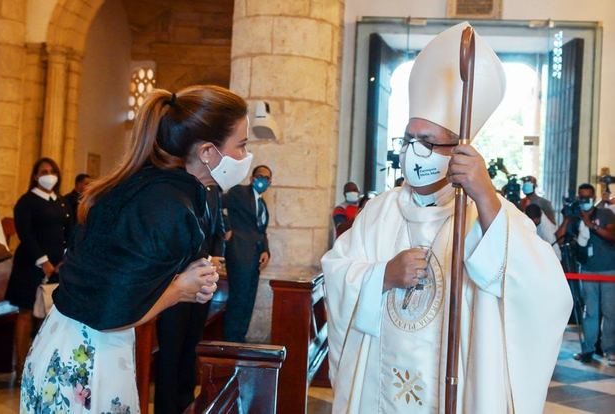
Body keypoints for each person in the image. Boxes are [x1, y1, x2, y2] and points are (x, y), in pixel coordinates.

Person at [321, 23, 572, 413]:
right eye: (408, 140)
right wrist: (382, 275)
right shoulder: (379, 212)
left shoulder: (486, 211)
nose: (413, 151)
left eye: (427, 142)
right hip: (379, 385)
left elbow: (544, 292)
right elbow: (336, 271)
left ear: (458, 149)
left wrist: (486, 196)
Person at [19, 85, 253, 413]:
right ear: (207, 152)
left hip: (70, 344)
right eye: (241, 145)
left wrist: (193, 279)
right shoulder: (167, 204)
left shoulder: (155, 185)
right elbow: (110, 313)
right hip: (85, 363)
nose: (246, 157)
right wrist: (180, 289)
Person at [154, 181, 227, 414]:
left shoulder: (214, 190)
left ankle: (186, 404)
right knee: (171, 347)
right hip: (177, 277)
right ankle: (166, 407)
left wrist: (217, 254)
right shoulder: (177, 187)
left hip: (202, 277)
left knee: (191, 345)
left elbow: (217, 228)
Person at [5, 157, 73, 382]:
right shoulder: (27, 201)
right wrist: (43, 261)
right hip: (31, 265)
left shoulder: (61, 201)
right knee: (25, 312)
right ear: (35, 175)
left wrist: (64, 258)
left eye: (53, 170)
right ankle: (22, 364)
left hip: (57, 267)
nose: (49, 174)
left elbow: (68, 232)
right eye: (44, 171)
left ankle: (42, 362)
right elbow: (26, 234)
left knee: (49, 314)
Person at [555, 183, 615, 365]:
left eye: (588, 198)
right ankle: (588, 349)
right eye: (581, 197)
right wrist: (567, 218)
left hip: (608, 270)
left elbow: (613, 236)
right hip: (587, 271)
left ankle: (609, 350)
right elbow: (558, 238)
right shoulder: (575, 216)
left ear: (593, 197)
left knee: (610, 311)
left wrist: (591, 226)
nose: (584, 201)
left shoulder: (605, 214)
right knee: (590, 312)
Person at [222, 165, 271, 342]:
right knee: (239, 298)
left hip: (255, 257)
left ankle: (240, 337)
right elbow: (218, 204)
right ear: (252, 178)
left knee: (249, 299)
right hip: (239, 253)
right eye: (260, 176)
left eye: (266, 178)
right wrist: (226, 228)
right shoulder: (239, 193)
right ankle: (231, 340)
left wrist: (266, 250)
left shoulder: (262, 204)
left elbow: (261, 230)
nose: (262, 180)